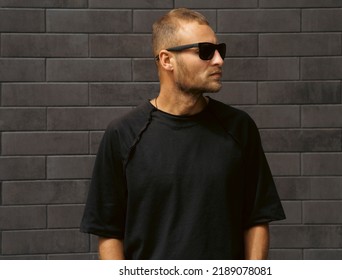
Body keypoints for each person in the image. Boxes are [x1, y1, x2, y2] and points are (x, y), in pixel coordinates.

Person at [80, 8, 285, 260]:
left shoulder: (239, 128)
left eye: (220, 50)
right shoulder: (123, 134)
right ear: (167, 60)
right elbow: (109, 232)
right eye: (205, 52)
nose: (219, 60)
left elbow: (257, 218)